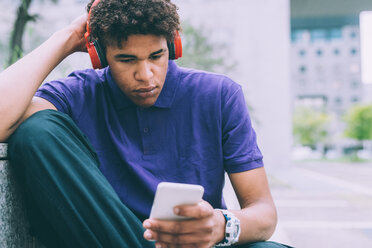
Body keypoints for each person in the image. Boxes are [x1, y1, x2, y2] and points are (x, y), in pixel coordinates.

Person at [0, 0, 291, 247]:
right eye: (126, 60)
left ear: (173, 45)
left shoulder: (219, 95)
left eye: (156, 56)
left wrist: (220, 225)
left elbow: (263, 213)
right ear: (98, 55)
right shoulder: (78, 94)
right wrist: (66, 38)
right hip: (104, 238)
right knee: (36, 131)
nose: (146, 75)